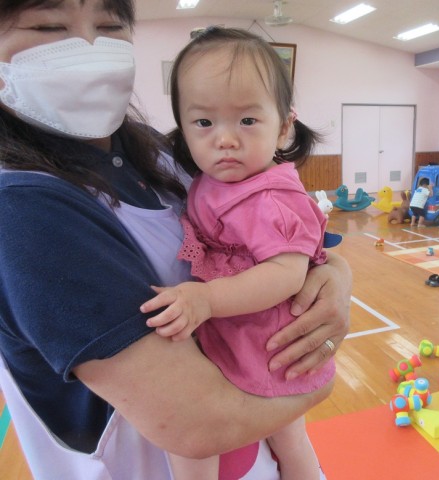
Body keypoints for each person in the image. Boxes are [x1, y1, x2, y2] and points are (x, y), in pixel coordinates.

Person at [0, 2, 351, 479]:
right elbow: (197, 427)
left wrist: (334, 277)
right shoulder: (24, 208)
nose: (87, 46)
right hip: (156, 457)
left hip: (253, 434)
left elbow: (292, 248)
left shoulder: (157, 152)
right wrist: (318, 384)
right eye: (48, 25)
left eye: (109, 25)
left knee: (295, 454)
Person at [137, 27, 335, 480]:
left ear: (283, 126)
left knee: (265, 439)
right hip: (235, 332)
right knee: (280, 438)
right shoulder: (210, 180)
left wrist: (207, 299)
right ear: (183, 129)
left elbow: (286, 273)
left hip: (264, 342)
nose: (225, 139)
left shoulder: (270, 199)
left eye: (247, 120)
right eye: (204, 123)